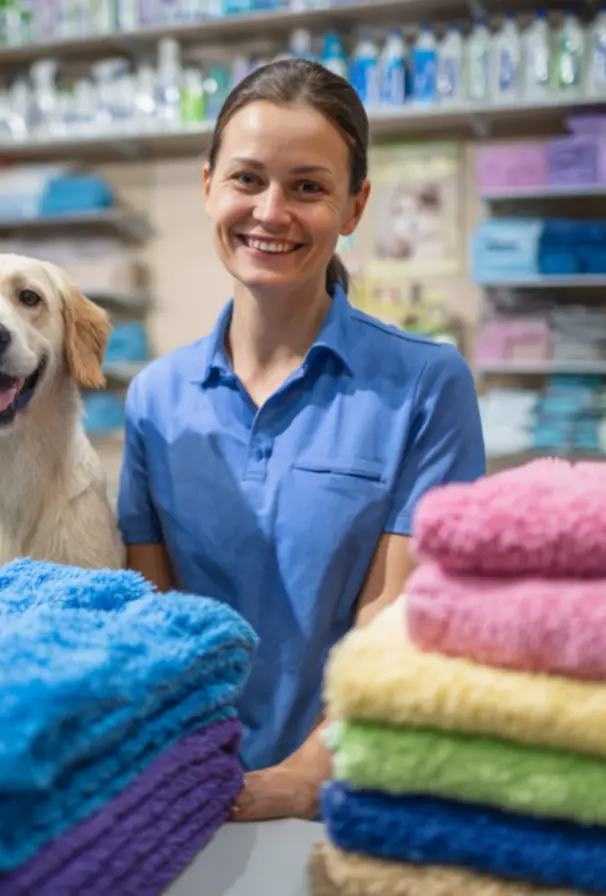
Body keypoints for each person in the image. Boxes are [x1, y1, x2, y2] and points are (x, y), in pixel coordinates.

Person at [116, 59, 486, 822]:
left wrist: (294, 781)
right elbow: (156, 622)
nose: (271, 211)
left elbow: (399, 615)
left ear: (355, 207)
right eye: (248, 179)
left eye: (308, 187)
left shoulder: (426, 384)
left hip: (358, 793)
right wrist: (196, 776)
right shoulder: (155, 398)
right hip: (190, 793)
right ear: (209, 184)